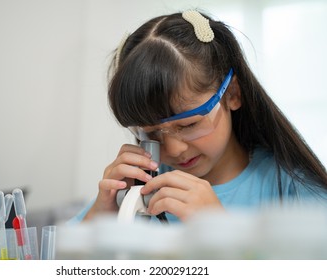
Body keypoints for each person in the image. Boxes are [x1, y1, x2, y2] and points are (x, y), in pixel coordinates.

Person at [70, 9, 327, 224]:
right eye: (150, 133)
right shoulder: (139, 191)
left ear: (233, 94)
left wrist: (221, 233)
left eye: (189, 124)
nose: (174, 148)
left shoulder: (292, 189)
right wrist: (102, 215)